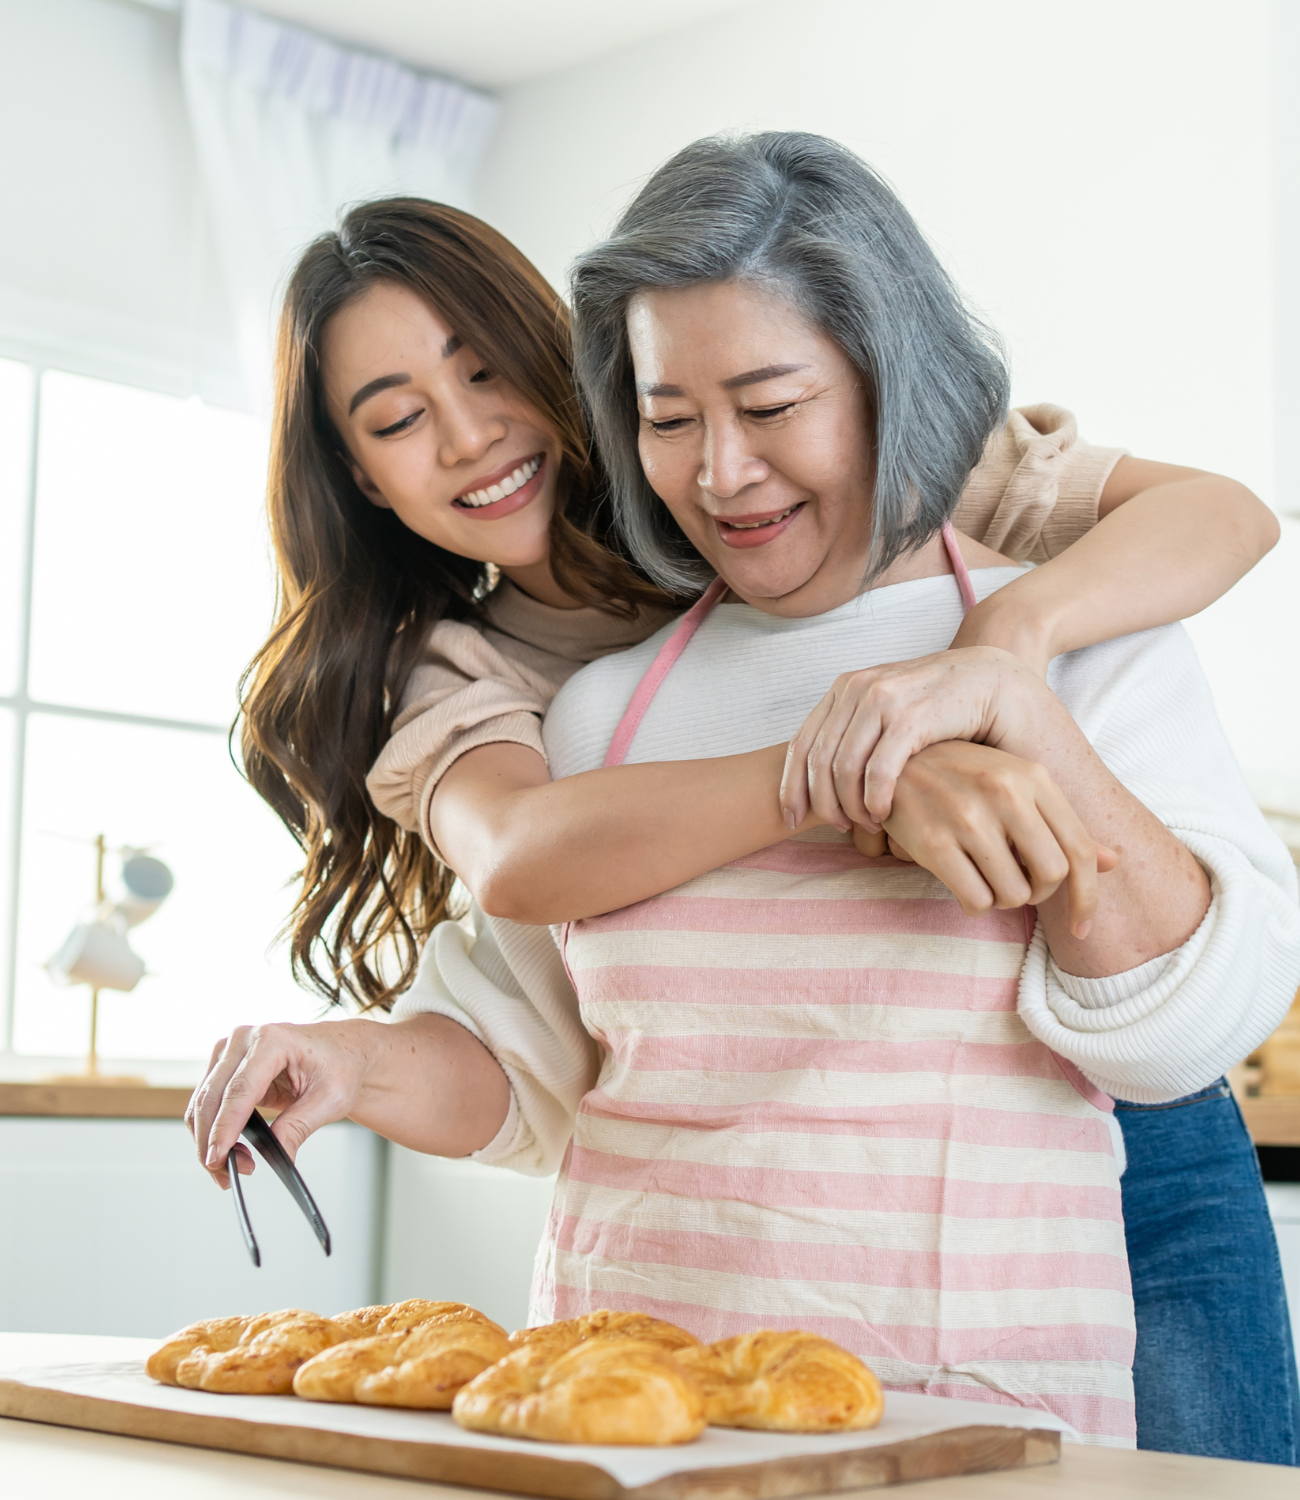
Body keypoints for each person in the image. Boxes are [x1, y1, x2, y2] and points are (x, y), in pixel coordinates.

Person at [187, 190, 1294, 1455]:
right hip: (753, 1255)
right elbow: (527, 872)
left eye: (489, 371)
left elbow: (1224, 512)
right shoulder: (488, 676)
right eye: (394, 421)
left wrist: (1001, 652)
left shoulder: (876, 478)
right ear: (361, 479)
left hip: (1123, 1151)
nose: (467, 435)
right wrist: (850, 771)